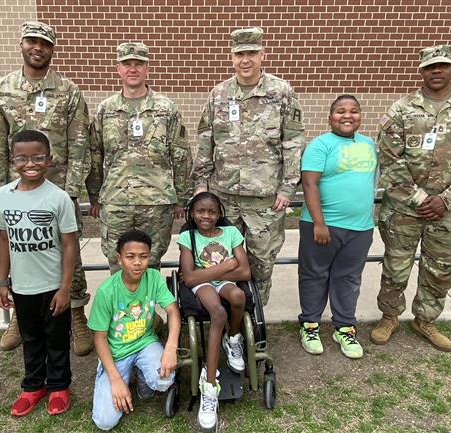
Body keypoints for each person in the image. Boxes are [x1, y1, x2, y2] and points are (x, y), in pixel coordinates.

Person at [0, 20, 92, 355]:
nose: (38, 48)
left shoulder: (69, 91)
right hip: (17, 194)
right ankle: (20, 313)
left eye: (44, 43)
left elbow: (79, 145)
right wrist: (3, 193)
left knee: (68, 253)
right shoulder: (0, 90)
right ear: (21, 44)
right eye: (32, 41)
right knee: (20, 250)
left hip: (58, 190)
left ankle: (76, 315)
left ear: (52, 49)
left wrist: (71, 193)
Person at [370, 45, 451, 351]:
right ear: (421, 71)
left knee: (440, 269)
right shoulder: (401, 109)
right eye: (430, 67)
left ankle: (427, 320)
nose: (436, 71)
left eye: (442, 66)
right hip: (404, 210)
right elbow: (390, 160)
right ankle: (389, 316)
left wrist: (446, 199)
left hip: (450, 211)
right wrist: (420, 198)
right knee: (396, 267)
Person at [191, 27, 305, 306]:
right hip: (224, 197)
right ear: (232, 57)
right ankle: (230, 316)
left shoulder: (281, 91)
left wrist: (287, 187)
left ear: (262, 54)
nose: (246, 60)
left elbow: (293, 141)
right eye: (240, 54)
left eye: (252, 53)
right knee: (220, 258)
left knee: (262, 262)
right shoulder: (218, 94)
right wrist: (201, 185)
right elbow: (206, 140)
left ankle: (255, 316)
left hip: (265, 200)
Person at [86, 42, 193, 274]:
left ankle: (148, 310)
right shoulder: (106, 109)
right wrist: (94, 196)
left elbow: (181, 156)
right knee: (117, 263)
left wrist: (182, 199)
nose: (132, 69)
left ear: (147, 69)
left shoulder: (166, 109)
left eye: (138, 64)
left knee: (151, 263)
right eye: (127, 64)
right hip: (116, 201)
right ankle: (121, 310)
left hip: (156, 202)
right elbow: (95, 154)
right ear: (118, 69)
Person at [0, 130, 76, 416]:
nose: (30, 163)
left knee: (56, 338)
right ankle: (33, 386)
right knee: (30, 338)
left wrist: (65, 288)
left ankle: (58, 386)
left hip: (53, 285)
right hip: (22, 286)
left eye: (38, 157)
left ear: (49, 159)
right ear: (12, 159)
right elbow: (4, 240)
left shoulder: (59, 197)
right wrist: (3, 281)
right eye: (22, 158)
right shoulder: (3, 196)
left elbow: (69, 245)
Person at [298, 95, 377, 360]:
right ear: (330, 117)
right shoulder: (320, 145)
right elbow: (309, 184)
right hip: (322, 226)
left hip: (360, 227)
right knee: (315, 275)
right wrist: (319, 223)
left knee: (349, 277)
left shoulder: (369, 144)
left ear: (360, 116)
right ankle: (310, 325)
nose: (347, 115)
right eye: (340, 111)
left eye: (354, 111)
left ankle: (344, 327)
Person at [88, 229, 180, 431]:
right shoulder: (106, 291)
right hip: (116, 352)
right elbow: (100, 338)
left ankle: (140, 372)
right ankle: (116, 373)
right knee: (104, 422)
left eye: (143, 256)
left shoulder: (154, 278)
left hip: (145, 342)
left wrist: (170, 347)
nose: (137, 263)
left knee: (164, 379)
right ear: (119, 259)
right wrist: (115, 379)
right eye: (130, 257)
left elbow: (173, 311)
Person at [178, 191, 250, 431]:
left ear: (219, 214)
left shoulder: (231, 233)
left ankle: (233, 339)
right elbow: (189, 278)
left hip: (220, 279)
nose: (205, 216)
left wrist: (211, 271)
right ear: (192, 213)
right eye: (200, 211)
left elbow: (245, 273)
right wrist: (228, 265)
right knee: (218, 313)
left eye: (211, 211)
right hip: (204, 285)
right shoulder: (188, 236)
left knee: (239, 296)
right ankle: (209, 386)